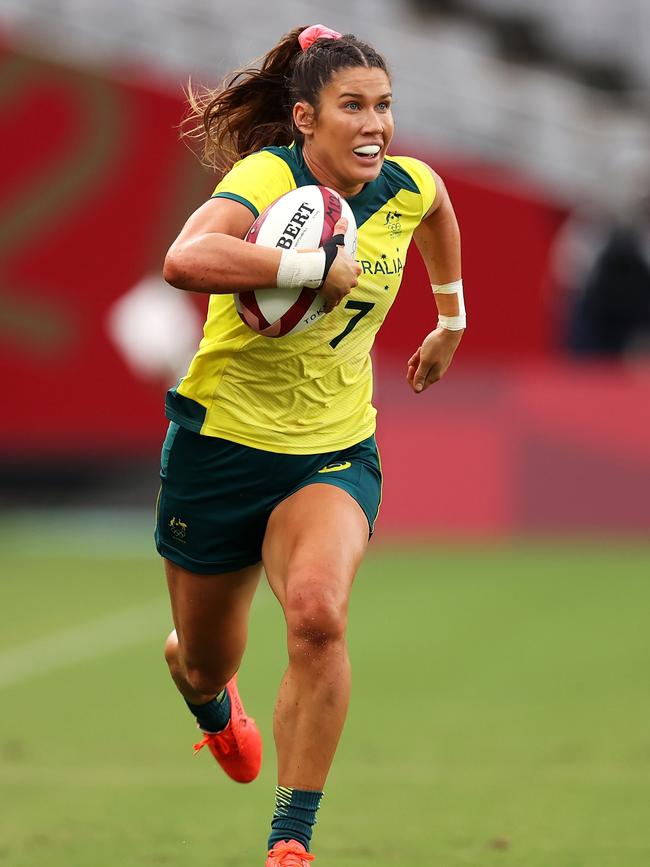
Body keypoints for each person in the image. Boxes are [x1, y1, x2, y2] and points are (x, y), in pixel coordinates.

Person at [157, 23, 465, 867]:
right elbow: (184, 260)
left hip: (331, 451)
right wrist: (303, 269)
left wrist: (450, 317)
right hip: (221, 445)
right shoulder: (269, 177)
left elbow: (436, 210)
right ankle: (211, 703)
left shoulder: (405, 186)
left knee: (319, 618)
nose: (375, 125)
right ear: (305, 117)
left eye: (385, 106)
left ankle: (290, 842)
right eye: (353, 107)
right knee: (205, 659)